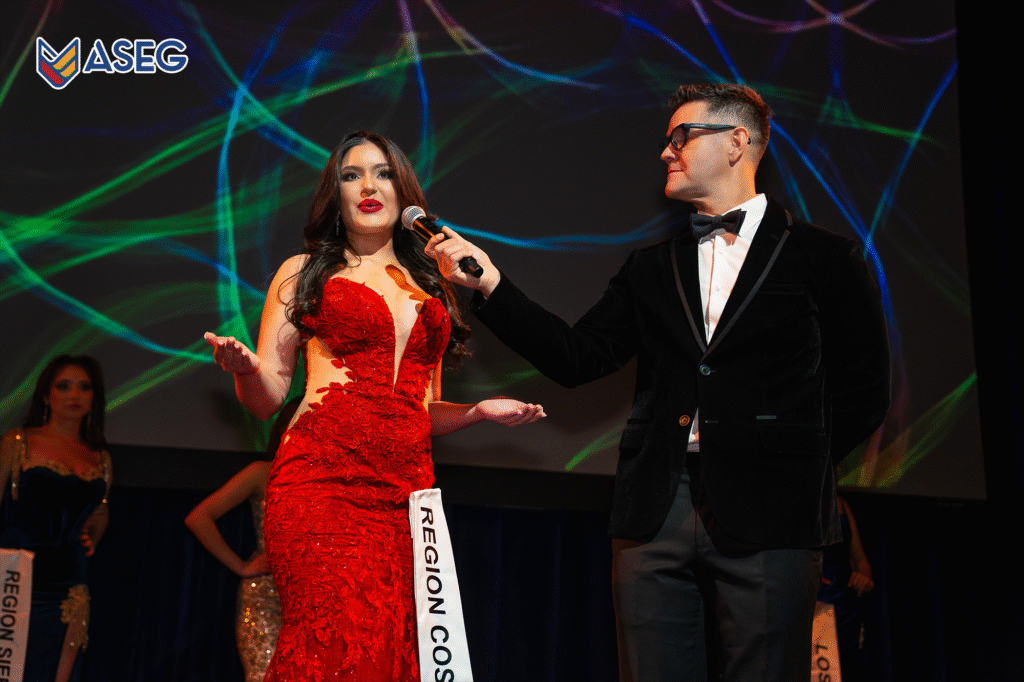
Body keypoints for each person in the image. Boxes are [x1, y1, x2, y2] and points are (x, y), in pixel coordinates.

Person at [426, 83, 891, 681]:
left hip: (773, 513)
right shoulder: (653, 265)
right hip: (657, 508)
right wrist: (491, 284)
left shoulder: (825, 257)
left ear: (737, 142)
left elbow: (865, 389)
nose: (665, 152)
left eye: (682, 137)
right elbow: (578, 357)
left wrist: (792, 470)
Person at [203, 130, 545, 681]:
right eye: (351, 175)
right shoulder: (304, 271)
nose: (368, 186)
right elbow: (267, 400)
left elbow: (420, 410)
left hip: (404, 500)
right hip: (321, 487)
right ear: (335, 195)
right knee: (334, 645)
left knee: (390, 653)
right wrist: (245, 369)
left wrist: (477, 413)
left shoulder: (434, 285)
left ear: (404, 192)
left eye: (383, 173)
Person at [0, 355, 112, 682]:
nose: (74, 394)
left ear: (94, 397)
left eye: (84, 387)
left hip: (68, 581)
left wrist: (90, 536)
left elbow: (100, 513)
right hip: (15, 575)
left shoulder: (100, 457)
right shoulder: (17, 442)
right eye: (64, 386)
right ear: (47, 395)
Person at [185, 398, 300, 682]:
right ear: (285, 429)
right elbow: (199, 518)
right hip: (266, 599)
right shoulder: (263, 473)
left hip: (311, 600)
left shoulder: (331, 481)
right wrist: (241, 567)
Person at [817, 492, 874, 680]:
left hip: (845, 608)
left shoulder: (841, 503)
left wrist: (863, 579)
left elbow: (860, 560)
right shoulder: (793, 499)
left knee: (848, 670)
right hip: (811, 606)